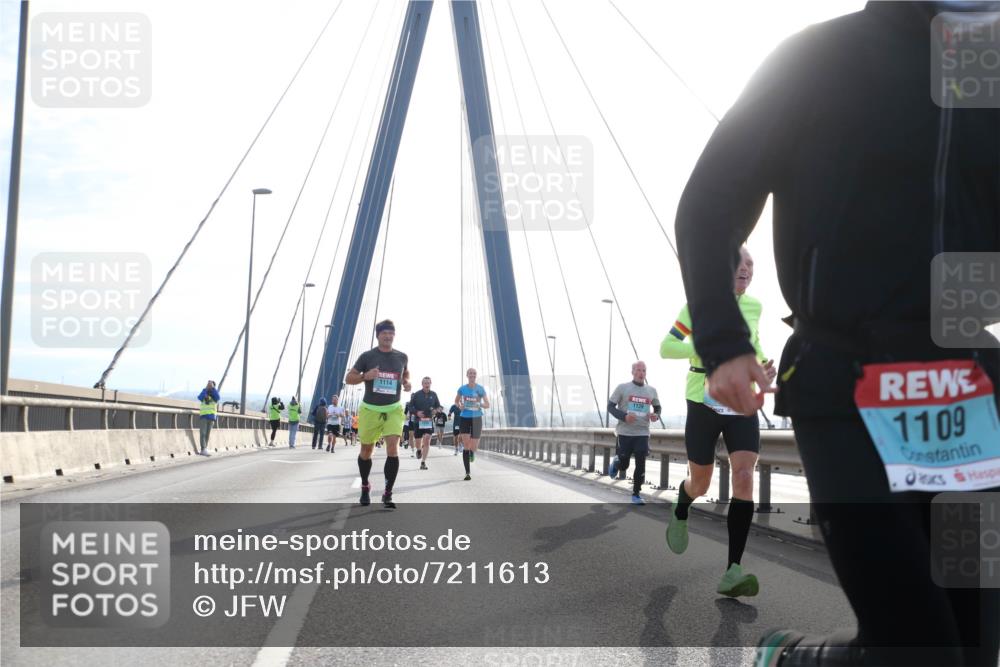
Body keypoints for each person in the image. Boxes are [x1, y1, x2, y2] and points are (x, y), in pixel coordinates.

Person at [672, 3, 1000, 664]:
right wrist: (724, 341)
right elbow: (708, 203)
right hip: (844, 380)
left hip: (967, 391)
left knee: (972, 648)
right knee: (922, 646)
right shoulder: (817, 58)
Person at [660, 246, 774, 599]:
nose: (747, 270)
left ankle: (733, 571)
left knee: (743, 476)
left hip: (742, 400)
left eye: (751, 265)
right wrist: (702, 347)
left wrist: (765, 366)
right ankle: (683, 502)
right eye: (741, 264)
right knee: (702, 483)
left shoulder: (754, 306)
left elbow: (751, 345)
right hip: (703, 401)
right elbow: (667, 346)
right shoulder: (696, 306)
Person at [345, 319, 411, 508]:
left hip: (393, 409)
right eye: (385, 333)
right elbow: (349, 378)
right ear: (378, 335)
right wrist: (365, 376)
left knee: (393, 449)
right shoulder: (367, 356)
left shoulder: (402, 357)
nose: (388, 336)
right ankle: (365, 485)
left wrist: (407, 383)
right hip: (370, 409)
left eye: (391, 333)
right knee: (366, 451)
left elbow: (405, 373)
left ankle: (387, 493)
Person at [606, 361, 661, 505]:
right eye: (638, 370)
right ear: (632, 372)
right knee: (624, 465)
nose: (641, 373)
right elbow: (610, 407)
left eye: (644, 370)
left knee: (641, 462)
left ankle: (636, 494)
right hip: (625, 433)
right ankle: (616, 463)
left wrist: (656, 415)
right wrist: (624, 417)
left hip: (642, 433)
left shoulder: (651, 390)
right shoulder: (623, 388)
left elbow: (657, 408)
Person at [455, 368, 489, 480]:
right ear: (467, 375)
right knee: (466, 445)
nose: (472, 375)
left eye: (474, 373)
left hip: (477, 418)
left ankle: (472, 452)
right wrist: (460, 406)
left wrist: (479, 404)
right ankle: (467, 472)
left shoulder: (480, 389)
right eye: (470, 373)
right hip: (464, 418)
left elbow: (487, 404)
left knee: (473, 447)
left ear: (476, 375)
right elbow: (456, 401)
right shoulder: (462, 389)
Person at [410, 377, 442, 470]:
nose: (427, 385)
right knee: (418, 441)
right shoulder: (416, 394)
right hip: (418, 421)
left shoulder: (434, 394)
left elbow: (438, 406)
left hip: (428, 421)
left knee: (427, 440)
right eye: (425, 383)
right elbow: (410, 407)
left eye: (428, 383)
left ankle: (423, 462)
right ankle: (419, 450)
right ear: (422, 384)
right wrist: (417, 413)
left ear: (430, 383)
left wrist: (436, 411)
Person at [196, 380, 219, 456]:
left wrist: (213, 388)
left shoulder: (215, 393)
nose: (209, 386)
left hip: (212, 416)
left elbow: (218, 398)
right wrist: (206, 389)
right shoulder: (204, 391)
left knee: (207, 434)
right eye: (208, 384)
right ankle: (203, 449)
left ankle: (204, 448)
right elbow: (200, 397)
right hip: (204, 415)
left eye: (211, 385)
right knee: (203, 433)